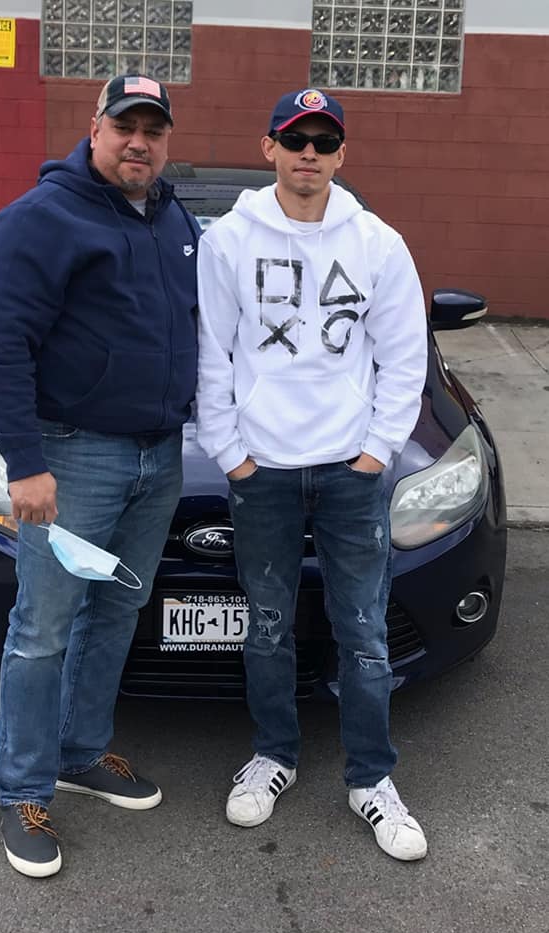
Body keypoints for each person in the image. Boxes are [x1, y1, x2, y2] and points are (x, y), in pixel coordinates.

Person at [0, 74, 199, 878]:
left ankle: (79, 752)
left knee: (116, 610)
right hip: (73, 458)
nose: (139, 142)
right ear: (94, 128)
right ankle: (22, 790)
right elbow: (0, 348)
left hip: (157, 454)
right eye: (124, 126)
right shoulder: (39, 219)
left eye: (153, 130)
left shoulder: (173, 217)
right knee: (42, 630)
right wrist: (26, 464)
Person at [195, 88, 429, 861]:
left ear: (340, 155)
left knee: (362, 630)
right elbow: (212, 351)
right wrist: (230, 452)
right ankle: (273, 756)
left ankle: (371, 779)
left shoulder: (378, 243)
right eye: (294, 139)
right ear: (268, 148)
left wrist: (377, 452)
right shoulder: (230, 240)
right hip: (261, 470)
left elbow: (403, 356)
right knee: (267, 627)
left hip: (347, 472)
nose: (308, 153)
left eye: (323, 142)